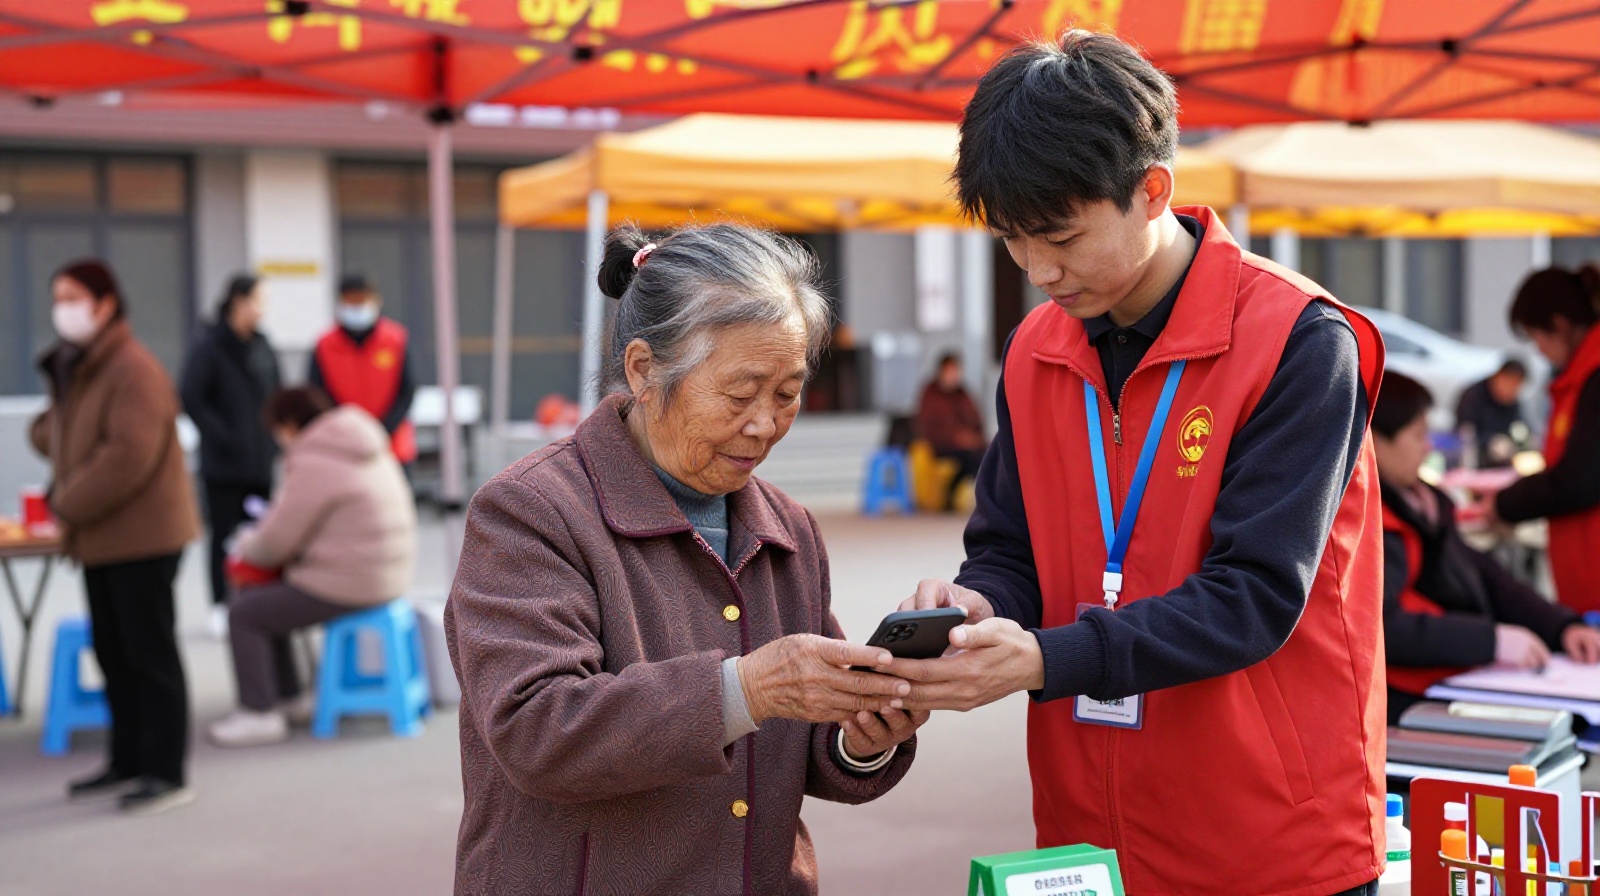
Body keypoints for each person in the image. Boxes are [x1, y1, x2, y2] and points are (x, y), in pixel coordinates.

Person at [886, 33, 1388, 896]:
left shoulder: (1299, 341)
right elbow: (1011, 547)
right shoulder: (1034, 351)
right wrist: (977, 605)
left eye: (1062, 237)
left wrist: (1045, 660)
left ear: (1153, 190)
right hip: (1087, 838)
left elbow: (1255, 595)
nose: (1041, 271)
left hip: (1274, 844)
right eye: (1012, 241)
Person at [446, 223, 923, 895]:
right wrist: (745, 689)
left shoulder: (788, 529)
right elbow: (535, 729)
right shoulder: (529, 512)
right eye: (739, 393)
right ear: (644, 371)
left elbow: (807, 742)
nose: (764, 424)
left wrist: (863, 733)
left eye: (787, 394)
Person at [29, 259, 200, 816]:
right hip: (103, 538)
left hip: (143, 537)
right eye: (58, 297)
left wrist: (65, 504)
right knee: (114, 654)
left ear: (105, 303)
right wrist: (56, 393)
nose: (63, 308)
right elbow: (52, 437)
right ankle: (127, 759)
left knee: (149, 655)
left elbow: (126, 456)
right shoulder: (85, 368)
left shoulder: (132, 368)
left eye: (73, 296)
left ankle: (166, 770)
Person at [1375, 373, 1600, 724]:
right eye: (1417, 435)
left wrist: (1562, 627)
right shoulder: (1367, 524)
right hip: (1404, 705)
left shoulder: (1426, 505)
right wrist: (1489, 640)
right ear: (1374, 441)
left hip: (1456, 682)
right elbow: (1381, 625)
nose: (1428, 447)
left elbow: (1487, 576)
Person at [207, 387, 417, 747]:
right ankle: (290, 697)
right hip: (388, 573)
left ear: (289, 425)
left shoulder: (315, 459)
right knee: (272, 602)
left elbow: (275, 542)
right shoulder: (362, 443)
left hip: (351, 581)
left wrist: (246, 545)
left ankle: (259, 712)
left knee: (246, 612)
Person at [1491, 266, 1600, 613]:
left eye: (1537, 336)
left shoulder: (1595, 377)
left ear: (1560, 325)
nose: (1538, 351)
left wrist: (1506, 504)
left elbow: (1580, 479)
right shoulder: (1580, 377)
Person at [180, 274, 282, 636]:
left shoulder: (263, 346)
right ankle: (220, 604)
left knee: (260, 535)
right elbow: (191, 396)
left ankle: (256, 599)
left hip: (259, 462)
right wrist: (222, 436)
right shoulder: (209, 345)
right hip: (222, 465)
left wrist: (273, 440)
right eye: (257, 300)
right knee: (222, 536)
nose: (261, 309)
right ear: (238, 302)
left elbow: (277, 396)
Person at [307, 274, 416, 466]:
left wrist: (383, 430)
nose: (356, 307)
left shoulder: (395, 340)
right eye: (350, 301)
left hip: (392, 448)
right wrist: (345, 430)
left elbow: (407, 390)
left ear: (375, 300)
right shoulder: (325, 345)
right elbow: (316, 394)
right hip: (342, 449)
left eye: (362, 300)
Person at [915, 352, 988, 510]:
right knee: (973, 458)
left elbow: (977, 421)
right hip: (942, 446)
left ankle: (960, 493)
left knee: (989, 453)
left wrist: (973, 437)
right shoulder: (931, 395)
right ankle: (956, 493)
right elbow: (929, 427)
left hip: (968, 444)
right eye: (950, 371)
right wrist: (957, 438)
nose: (954, 375)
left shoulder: (963, 394)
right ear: (941, 371)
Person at [1454, 358, 1529, 466]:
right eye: (1508, 384)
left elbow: (1519, 425)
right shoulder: (1473, 396)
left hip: (1506, 460)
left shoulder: (1512, 401)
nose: (1510, 390)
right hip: (1473, 460)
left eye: (1516, 387)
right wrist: (1490, 442)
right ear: (1498, 376)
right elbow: (1465, 433)